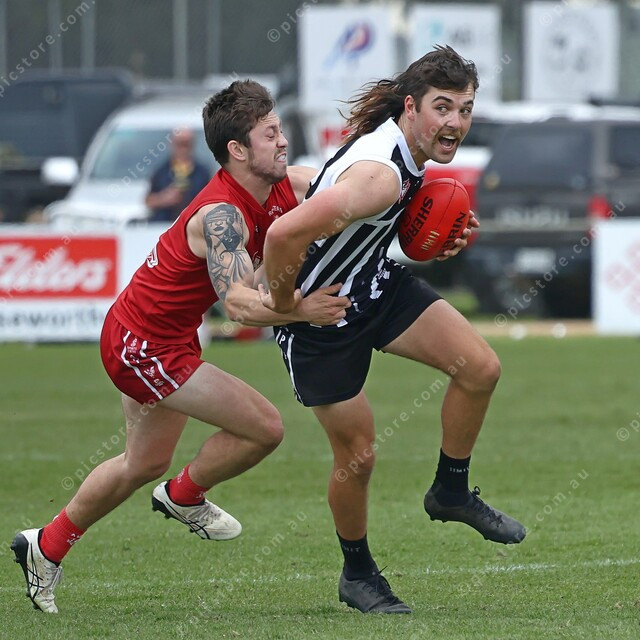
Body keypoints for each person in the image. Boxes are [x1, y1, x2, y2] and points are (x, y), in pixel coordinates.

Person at [11, 80, 350, 614]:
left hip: (155, 334)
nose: (283, 141)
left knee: (142, 462)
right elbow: (237, 304)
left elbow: (349, 187)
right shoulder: (222, 215)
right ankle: (185, 495)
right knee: (265, 428)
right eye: (270, 134)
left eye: (280, 129)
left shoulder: (285, 184)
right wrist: (302, 309)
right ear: (238, 150)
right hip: (142, 345)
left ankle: (44, 546)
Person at [261, 46, 526, 614]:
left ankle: (450, 490)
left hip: (375, 284)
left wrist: (438, 232)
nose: (455, 122)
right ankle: (358, 575)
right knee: (358, 457)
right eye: (442, 107)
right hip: (323, 317)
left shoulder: (405, 149)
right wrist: (288, 307)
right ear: (411, 107)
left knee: (480, 368)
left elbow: (369, 217)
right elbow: (283, 235)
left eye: (464, 109)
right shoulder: (380, 176)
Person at [145, 128, 211, 222]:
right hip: (164, 223)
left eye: (186, 144)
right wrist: (163, 198)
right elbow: (148, 201)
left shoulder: (203, 172)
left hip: (193, 223)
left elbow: (212, 201)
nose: (183, 149)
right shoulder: (161, 171)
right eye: (179, 144)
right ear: (172, 144)